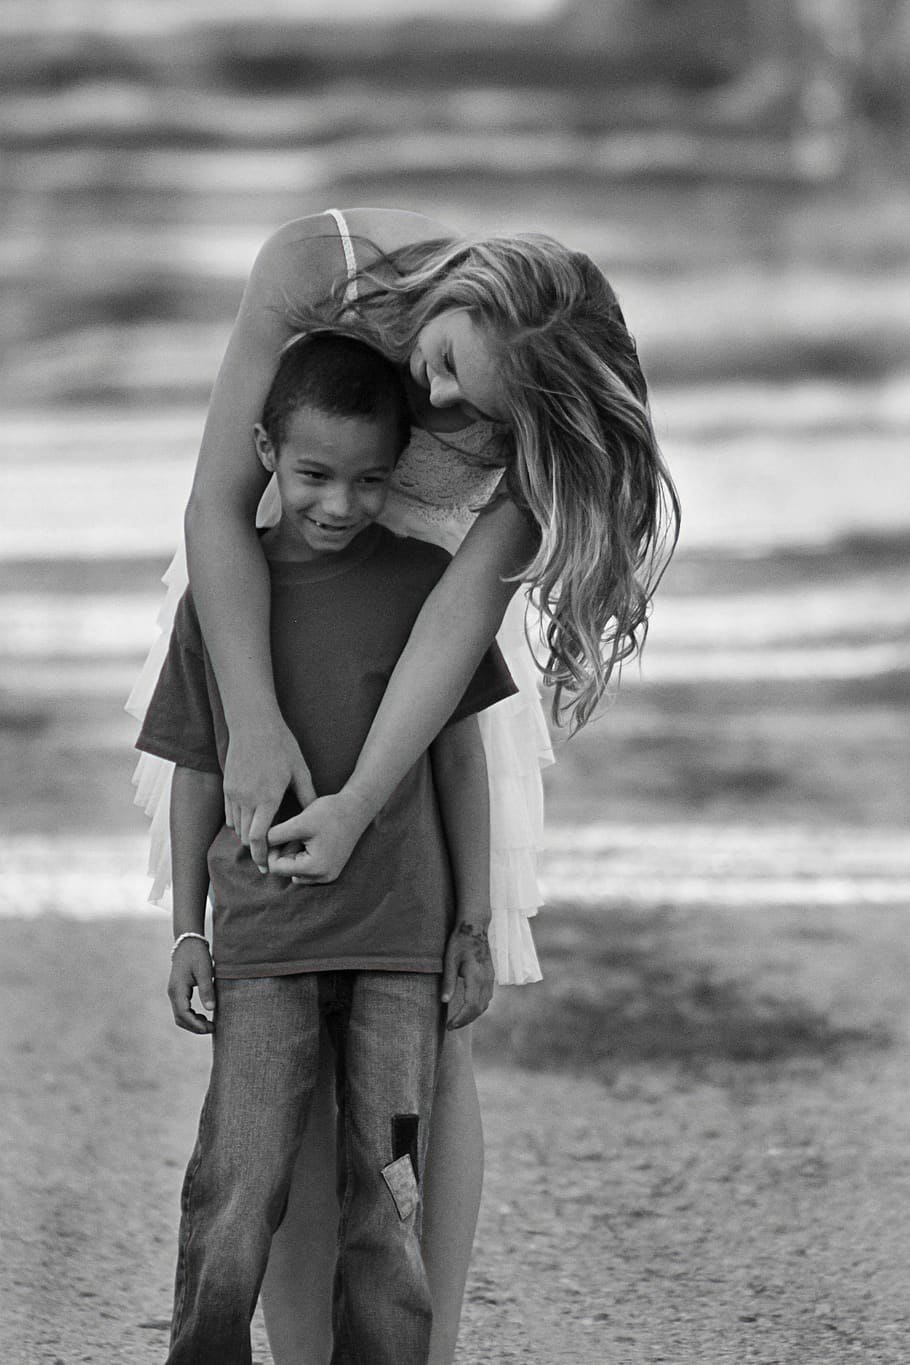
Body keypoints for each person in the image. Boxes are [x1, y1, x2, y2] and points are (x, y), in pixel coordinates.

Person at [127, 206, 680, 1363]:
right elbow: (221, 505)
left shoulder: (551, 429)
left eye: (473, 415)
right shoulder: (313, 265)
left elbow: (453, 624)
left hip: (425, 672)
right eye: (442, 367)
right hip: (260, 611)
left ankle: (416, 1352)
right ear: (469, 285)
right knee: (277, 1010)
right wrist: (257, 721)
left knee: (420, 1025)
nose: (434, 410)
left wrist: (363, 799)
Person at [136, 332, 515, 1364]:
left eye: (368, 480)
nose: (340, 504)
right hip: (262, 945)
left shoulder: (424, 583)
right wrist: (185, 931)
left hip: (400, 947)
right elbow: (198, 770)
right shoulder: (222, 603)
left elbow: (459, 767)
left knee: (386, 1197)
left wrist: (472, 923)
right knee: (238, 1187)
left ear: (399, 474)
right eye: (313, 475)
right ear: (263, 450)